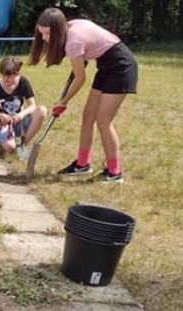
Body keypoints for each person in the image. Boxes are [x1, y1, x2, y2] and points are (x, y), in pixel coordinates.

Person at [29, 7, 138, 183]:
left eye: (47, 34)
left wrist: (63, 102)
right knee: (88, 117)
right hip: (106, 65)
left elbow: (80, 79)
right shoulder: (70, 27)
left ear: (58, 30)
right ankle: (82, 164)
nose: (44, 38)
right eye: (41, 34)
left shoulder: (73, 42)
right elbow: (90, 48)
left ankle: (115, 173)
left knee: (104, 121)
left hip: (121, 66)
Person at [0, 55, 47, 161]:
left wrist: (21, 115)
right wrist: (2, 116)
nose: (5, 79)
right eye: (3, 75)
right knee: (10, 148)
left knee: (42, 110)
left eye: (9, 76)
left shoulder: (23, 82)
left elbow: (32, 105)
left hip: (19, 122)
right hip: (2, 124)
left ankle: (22, 146)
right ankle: (7, 143)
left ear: (17, 74)